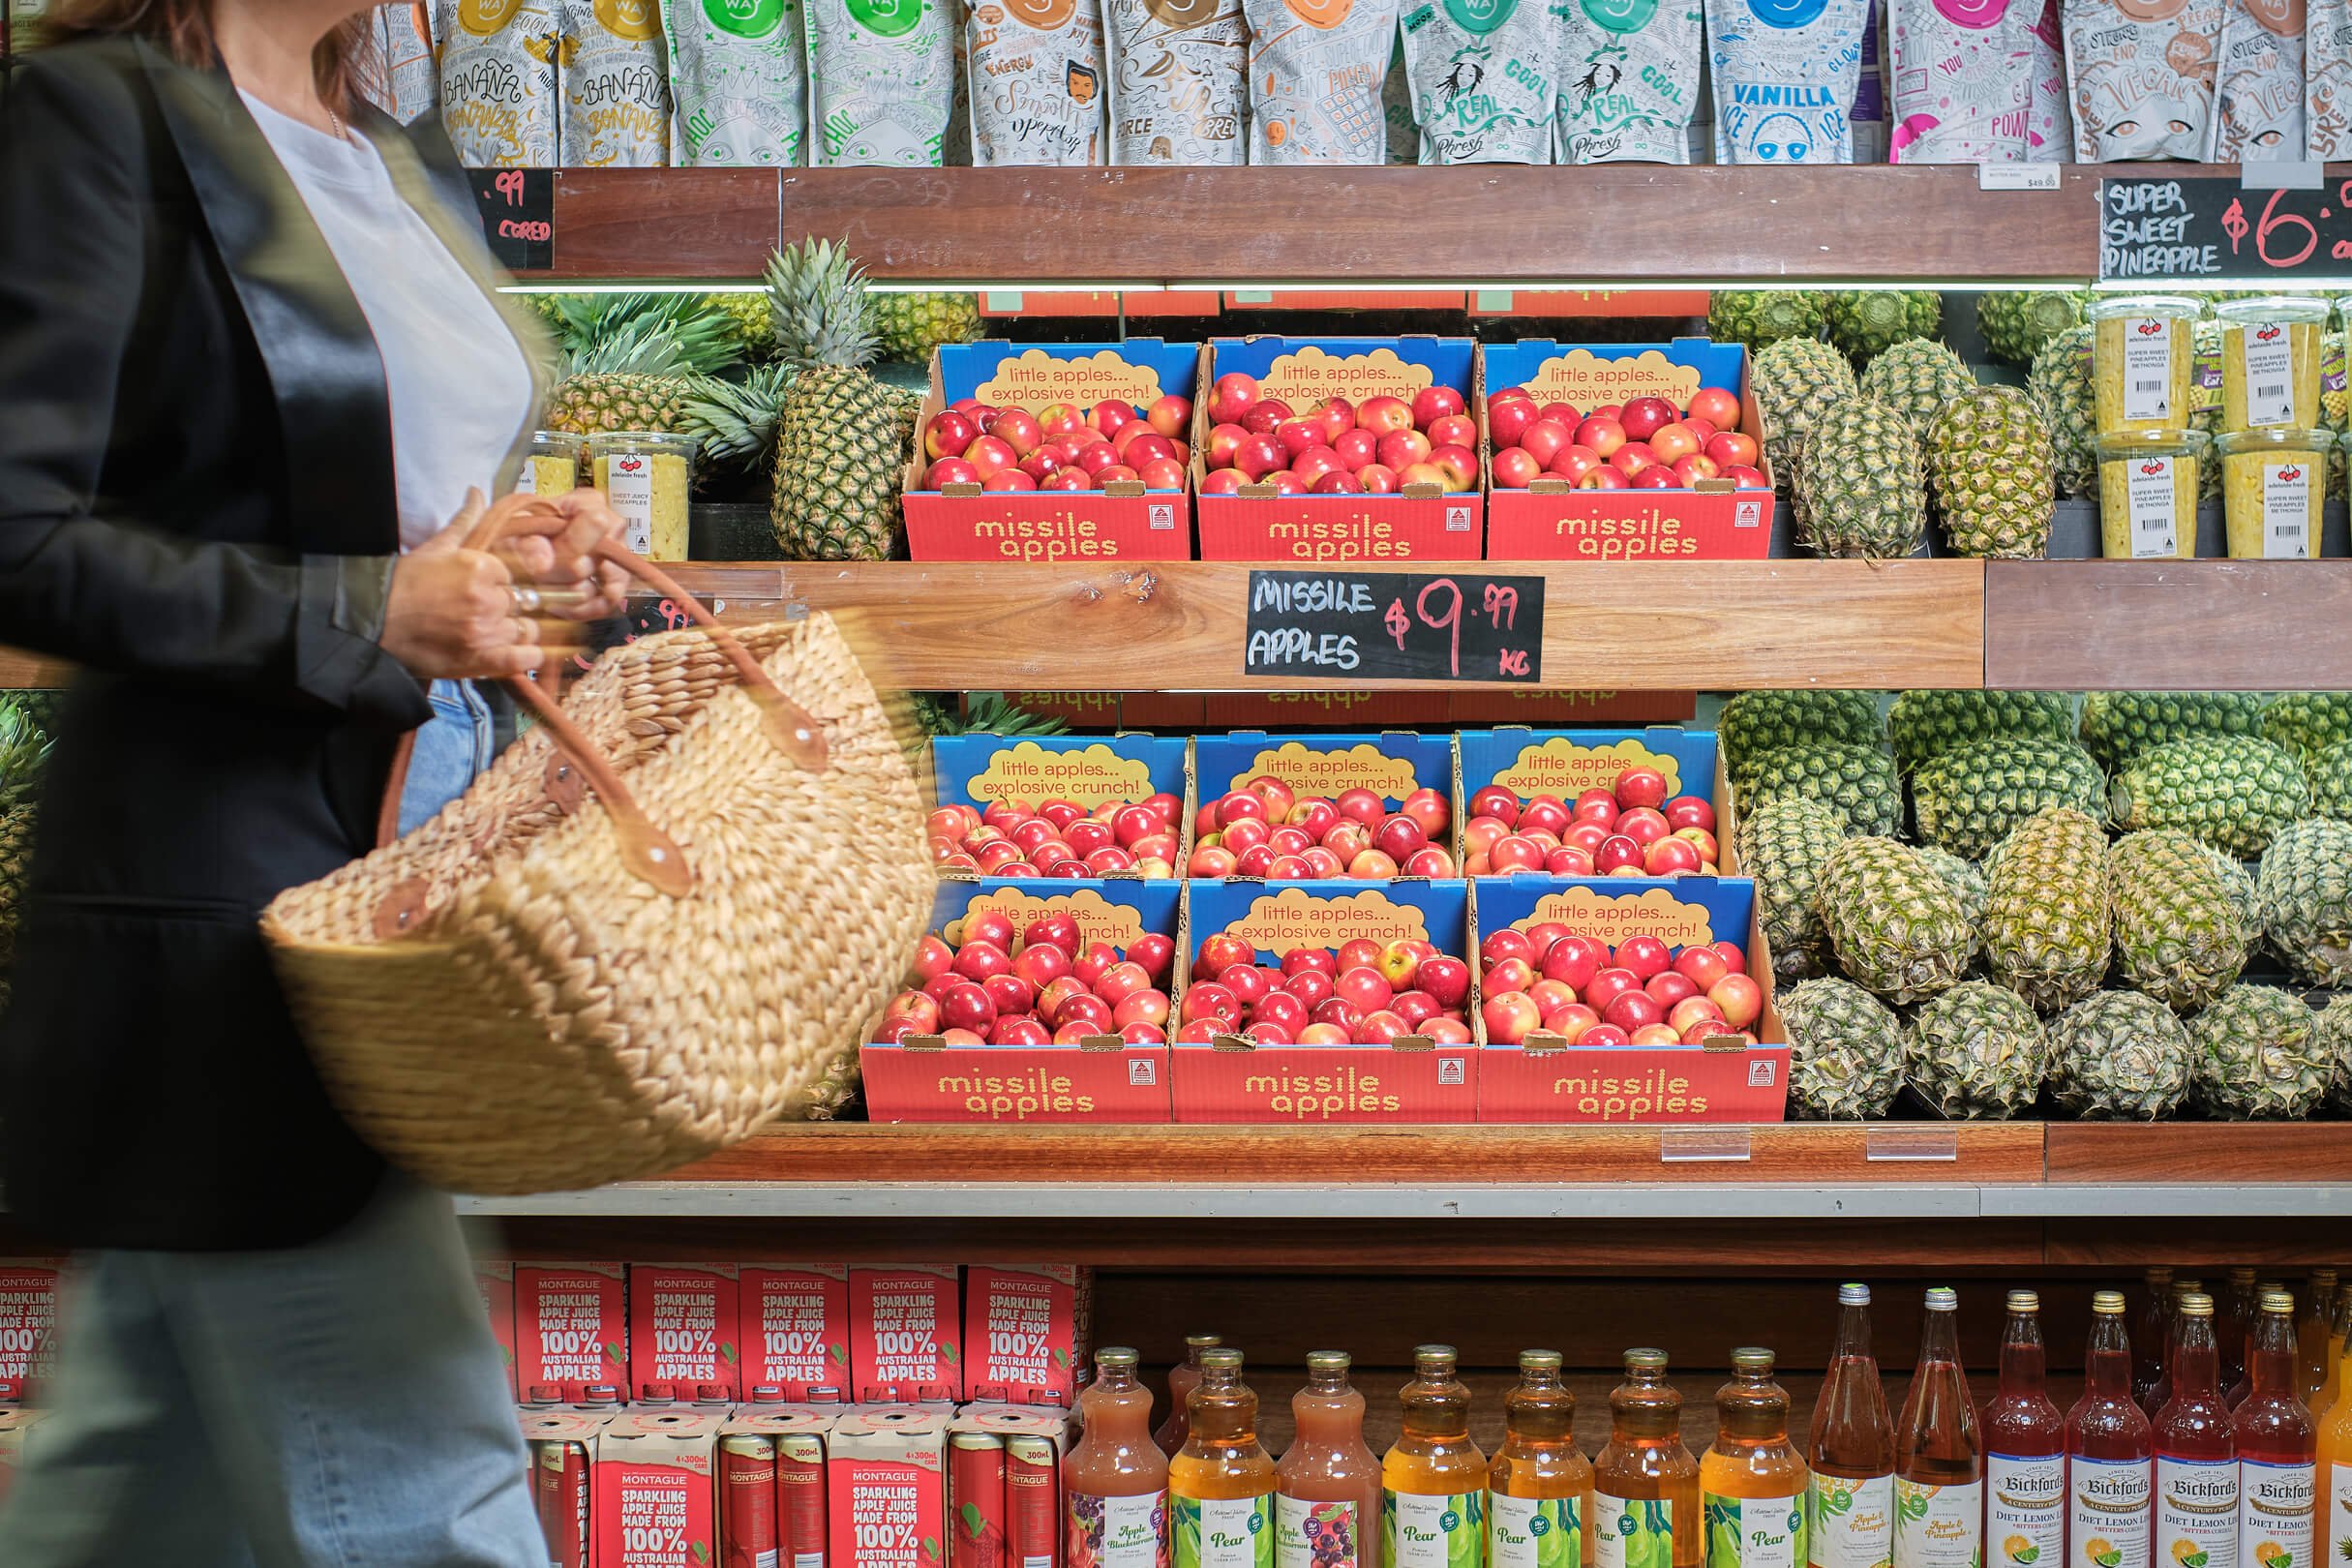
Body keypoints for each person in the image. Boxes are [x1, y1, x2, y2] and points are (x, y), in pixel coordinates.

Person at [0, 0, 631, 1558]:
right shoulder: (90, 117)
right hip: (239, 884)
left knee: (140, 1477)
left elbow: (353, 486)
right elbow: (16, 539)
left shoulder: (388, 147)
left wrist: (498, 555)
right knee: (424, 1481)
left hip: (407, 826)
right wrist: (363, 608)